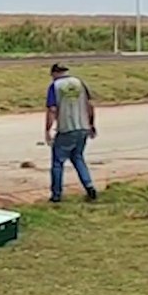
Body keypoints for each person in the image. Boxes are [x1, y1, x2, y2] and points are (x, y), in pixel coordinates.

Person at [44, 62, 97, 203]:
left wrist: (47, 129)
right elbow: (90, 105)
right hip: (83, 128)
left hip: (66, 129)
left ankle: (56, 194)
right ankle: (89, 186)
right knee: (78, 157)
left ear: (55, 73)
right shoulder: (80, 83)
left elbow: (52, 110)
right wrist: (92, 124)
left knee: (57, 162)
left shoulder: (54, 87)